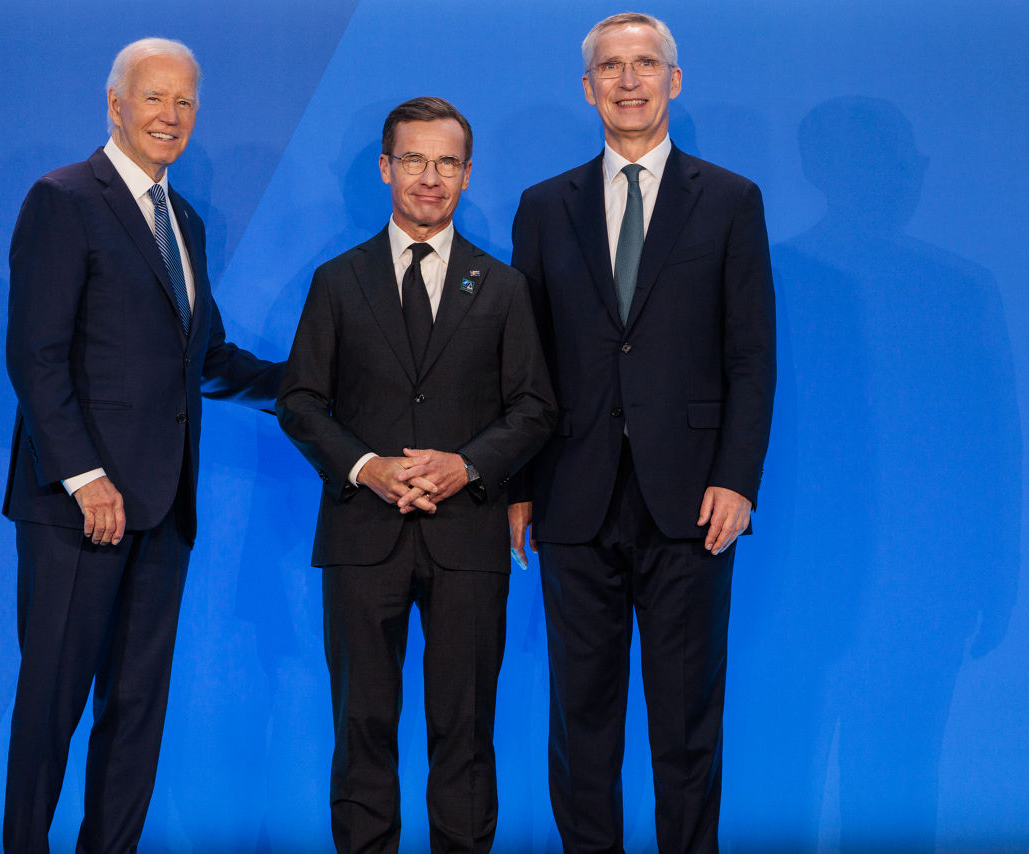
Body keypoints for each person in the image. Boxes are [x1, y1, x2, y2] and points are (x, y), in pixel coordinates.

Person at [2, 38, 282, 853]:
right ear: (115, 104)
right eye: (154, 98)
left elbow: (206, 357)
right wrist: (86, 477)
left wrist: (312, 388)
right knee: (51, 704)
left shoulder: (183, 218)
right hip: (77, 511)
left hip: (162, 511)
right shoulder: (62, 199)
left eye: (185, 102)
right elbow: (36, 355)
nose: (171, 116)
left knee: (135, 712)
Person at [508, 13, 775, 853]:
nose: (630, 81)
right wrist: (517, 486)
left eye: (646, 64)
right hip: (571, 499)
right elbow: (525, 367)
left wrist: (737, 478)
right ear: (588, 88)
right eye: (612, 68)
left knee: (687, 723)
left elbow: (752, 356)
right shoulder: (544, 207)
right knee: (580, 724)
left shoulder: (730, 200)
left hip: (693, 501)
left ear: (675, 80)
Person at [277, 96, 556, 854]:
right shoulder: (337, 280)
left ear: (467, 175)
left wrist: (466, 466)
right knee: (362, 729)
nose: (428, 178)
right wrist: (366, 468)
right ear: (384, 168)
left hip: (467, 539)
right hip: (363, 537)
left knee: (465, 730)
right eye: (413, 161)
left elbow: (535, 408)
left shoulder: (501, 288)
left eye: (445, 163)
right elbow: (299, 401)